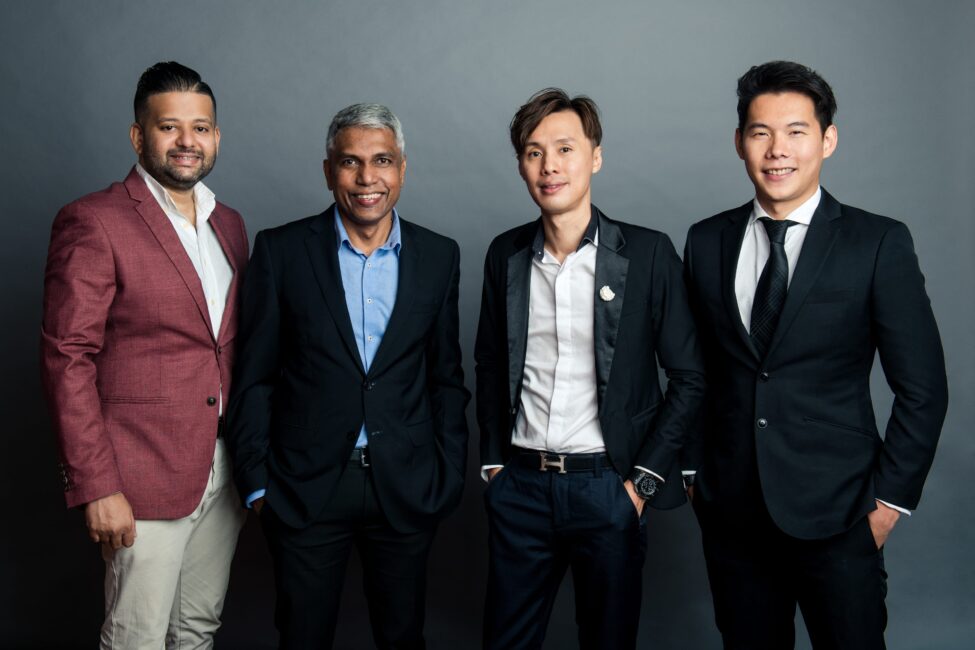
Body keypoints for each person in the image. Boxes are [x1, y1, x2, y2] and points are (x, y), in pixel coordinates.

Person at [682, 60, 949, 649]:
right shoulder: (705, 241)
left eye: (796, 131)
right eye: (760, 133)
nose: (778, 150)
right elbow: (695, 371)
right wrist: (694, 474)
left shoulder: (877, 242)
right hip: (733, 515)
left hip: (843, 514)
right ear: (739, 143)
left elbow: (924, 388)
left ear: (827, 139)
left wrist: (886, 505)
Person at [226, 103, 469, 649]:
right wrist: (259, 483)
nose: (367, 178)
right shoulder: (282, 251)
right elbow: (255, 376)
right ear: (327, 170)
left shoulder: (438, 255)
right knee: (303, 638)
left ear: (402, 168)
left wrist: (447, 474)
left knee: (403, 637)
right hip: (305, 488)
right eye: (350, 162)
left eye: (382, 160)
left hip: (406, 487)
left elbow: (446, 379)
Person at [474, 88, 705, 650]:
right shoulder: (505, 254)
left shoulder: (648, 255)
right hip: (521, 486)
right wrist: (492, 466)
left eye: (565, 148)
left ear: (594, 156)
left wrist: (641, 484)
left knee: (607, 641)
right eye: (533, 152)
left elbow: (691, 376)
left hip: (608, 488)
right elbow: (486, 362)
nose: (549, 165)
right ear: (521, 165)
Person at [40, 61, 248, 649]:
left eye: (201, 128)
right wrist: (95, 484)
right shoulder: (94, 221)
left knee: (197, 629)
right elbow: (67, 357)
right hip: (138, 476)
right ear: (138, 136)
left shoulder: (228, 224)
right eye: (169, 127)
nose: (187, 141)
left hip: (222, 468)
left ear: (216, 137)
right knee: (137, 637)